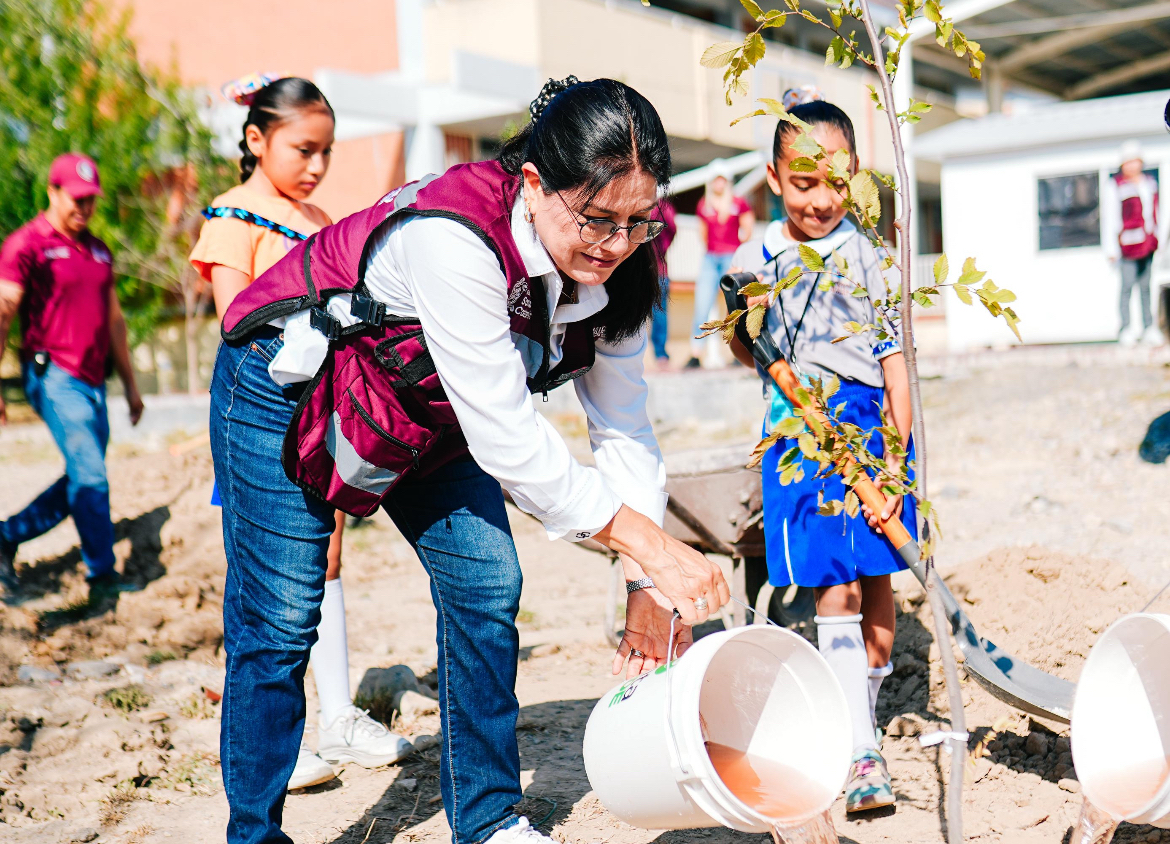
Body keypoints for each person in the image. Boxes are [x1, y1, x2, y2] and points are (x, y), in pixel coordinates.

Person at [210, 76, 727, 844]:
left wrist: (646, 582)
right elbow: (511, 441)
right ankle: (254, 832)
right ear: (533, 183)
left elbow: (621, 429)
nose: (615, 245)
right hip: (287, 387)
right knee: (283, 620)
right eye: (595, 219)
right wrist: (649, 544)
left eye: (636, 221)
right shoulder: (453, 238)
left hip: (428, 407)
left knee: (488, 581)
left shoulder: (623, 269)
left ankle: (487, 818)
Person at [189, 75, 410, 791]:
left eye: (327, 151)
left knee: (329, 555)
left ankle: (336, 713)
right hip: (262, 417)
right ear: (256, 140)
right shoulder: (233, 215)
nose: (317, 165)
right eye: (304, 149)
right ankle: (263, 745)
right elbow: (240, 326)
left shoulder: (317, 215)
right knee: (264, 581)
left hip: (322, 412)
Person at [729, 94, 913, 813]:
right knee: (831, 583)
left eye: (837, 183)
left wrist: (896, 461)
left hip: (872, 431)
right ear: (773, 178)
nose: (821, 200)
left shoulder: (870, 257)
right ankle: (861, 749)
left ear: (858, 175)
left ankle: (857, 710)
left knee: (875, 584)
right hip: (801, 439)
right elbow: (750, 343)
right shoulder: (757, 259)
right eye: (803, 183)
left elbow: (895, 362)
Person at [0, 153, 144, 600]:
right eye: (76, 199)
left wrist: (132, 388)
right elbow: (4, 312)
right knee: (93, 477)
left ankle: (6, 536)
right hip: (53, 376)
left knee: (85, 477)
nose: (84, 208)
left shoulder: (99, 250)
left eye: (91, 201)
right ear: (53, 192)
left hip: (94, 383)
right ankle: (102, 577)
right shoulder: (27, 245)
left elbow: (115, 320)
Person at [687, 160, 754, 368]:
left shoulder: (738, 203)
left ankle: (739, 352)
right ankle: (695, 353)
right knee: (702, 304)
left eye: (722, 179)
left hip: (730, 258)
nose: (719, 184)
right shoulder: (703, 205)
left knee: (734, 308)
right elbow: (702, 234)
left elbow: (748, 228)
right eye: (715, 180)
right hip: (711, 258)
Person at [1103, 140, 1161, 346]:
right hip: (1127, 246)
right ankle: (1125, 328)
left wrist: (1158, 238)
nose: (1131, 166)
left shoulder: (1149, 183)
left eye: (1134, 161)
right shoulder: (1116, 186)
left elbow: (1155, 213)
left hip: (1147, 244)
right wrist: (1111, 248)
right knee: (1127, 287)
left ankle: (1148, 328)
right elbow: (1111, 217)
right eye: (1127, 162)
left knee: (1146, 287)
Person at [649, 198, 677, 369]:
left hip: (658, 271)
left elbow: (671, 229)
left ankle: (660, 354)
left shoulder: (663, 207)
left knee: (659, 313)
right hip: (634, 272)